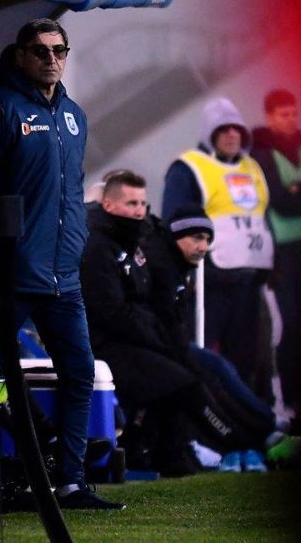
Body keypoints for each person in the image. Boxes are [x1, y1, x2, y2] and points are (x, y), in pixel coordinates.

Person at [0, 18, 121, 509]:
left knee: (79, 372)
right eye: (41, 51)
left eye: (59, 50)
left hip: (63, 275)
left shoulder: (73, 116)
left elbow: (69, 189)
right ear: (20, 55)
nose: (51, 59)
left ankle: (69, 482)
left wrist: (78, 238)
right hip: (12, 273)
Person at [83, 171, 297, 474]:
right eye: (132, 203)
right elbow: (115, 312)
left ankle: (250, 437)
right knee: (191, 381)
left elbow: (139, 308)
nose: (140, 210)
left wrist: (163, 339)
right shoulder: (107, 248)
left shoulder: (134, 243)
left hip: (140, 340)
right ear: (108, 204)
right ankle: (251, 444)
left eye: (143, 203)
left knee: (206, 372)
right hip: (113, 347)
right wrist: (162, 340)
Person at [162, 97, 274, 396]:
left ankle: (246, 414)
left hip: (251, 280)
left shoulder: (252, 167)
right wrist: (182, 273)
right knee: (200, 353)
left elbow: (262, 218)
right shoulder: (188, 168)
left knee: (249, 358)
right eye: (223, 129)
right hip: (208, 281)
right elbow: (173, 223)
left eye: (237, 128)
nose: (231, 134)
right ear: (210, 133)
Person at [252, 89, 301, 423]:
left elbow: (289, 195)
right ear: (269, 116)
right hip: (282, 252)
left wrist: (293, 190)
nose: (291, 120)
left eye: (294, 113)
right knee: (291, 322)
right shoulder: (261, 154)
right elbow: (279, 201)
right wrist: (291, 192)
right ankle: (293, 397)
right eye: (284, 114)